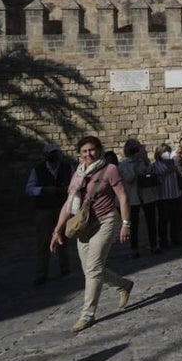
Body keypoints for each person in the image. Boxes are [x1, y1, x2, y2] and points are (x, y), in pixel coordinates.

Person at [49, 136, 134, 333]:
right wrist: (57, 230)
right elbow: (69, 204)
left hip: (105, 221)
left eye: (92, 150)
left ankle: (87, 315)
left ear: (100, 150)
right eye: (84, 151)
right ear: (80, 153)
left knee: (94, 268)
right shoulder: (78, 173)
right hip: (84, 225)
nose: (89, 154)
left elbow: (122, 197)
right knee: (90, 270)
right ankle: (124, 284)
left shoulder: (110, 169)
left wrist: (126, 224)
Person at [26, 142, 73, 285]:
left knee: (63, 238)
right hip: (44, 208)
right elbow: (29, 188)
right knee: (44, 240)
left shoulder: (66, 167)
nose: (54, 157)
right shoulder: (38, 170)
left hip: (61, 207)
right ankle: (42, 272)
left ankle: (65, 267)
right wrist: (43, 190)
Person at [119, 138, 161, 256]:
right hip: (133, 198)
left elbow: (149, 173)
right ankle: (134, 248)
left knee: (151, 221)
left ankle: (154, 245)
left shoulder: (144, 162)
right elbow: (129, 178)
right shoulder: (123, 165)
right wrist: (137, 166)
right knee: (134, 224)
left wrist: (145, 161)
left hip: (147, 196)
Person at [153, 143, 182, 248]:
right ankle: (163, 241)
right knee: (163, 220)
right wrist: (167, 171)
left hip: (175, 194)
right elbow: (157, 179)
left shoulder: (173, 163)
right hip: (163, 197)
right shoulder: (156, 165)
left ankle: (176, 238)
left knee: (176, 219)